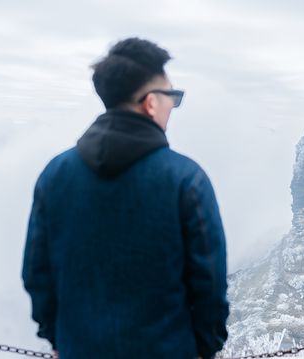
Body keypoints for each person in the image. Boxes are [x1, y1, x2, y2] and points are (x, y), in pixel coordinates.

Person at [21, 38, 229, 359]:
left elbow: (37, 274)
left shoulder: (55, 175)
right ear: (150, 103)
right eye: (172, 96)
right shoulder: (186, 180)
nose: (172, 105)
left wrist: (59, 338)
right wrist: (204, 347)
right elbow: (209, 284)